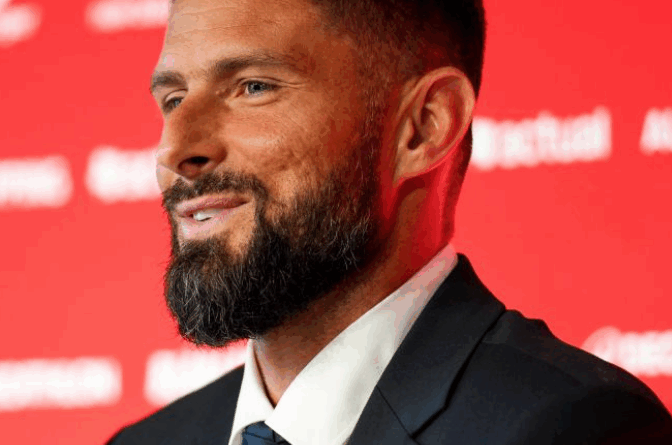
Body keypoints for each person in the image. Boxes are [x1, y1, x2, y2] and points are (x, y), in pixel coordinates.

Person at [107, 0, 672, 443]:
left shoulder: (577, 428)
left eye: (254, 87)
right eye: (173, 99)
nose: (175, 150)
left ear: (424, 126)